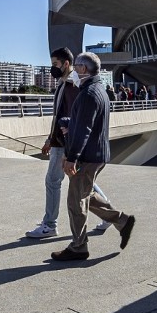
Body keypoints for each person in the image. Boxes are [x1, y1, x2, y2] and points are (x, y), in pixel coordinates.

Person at [52, 52, 136, 261]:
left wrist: (71, 157)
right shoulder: (99, 90)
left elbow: (84, 130)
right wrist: (68, 122)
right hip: (96, 153)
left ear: (82, 69)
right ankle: (122, 221)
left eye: (77, 67)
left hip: (87, 156)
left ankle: (79, 247)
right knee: (85, 195)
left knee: (75, 202)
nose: (74, 71)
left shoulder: (88, 93)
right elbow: (85, 121)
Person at [26, 48, 112, 240]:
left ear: (66, 64)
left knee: (54, 181)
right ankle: (110, 215)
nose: (52, 68)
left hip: (66, 143)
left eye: (55, 64)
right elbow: (58, 114)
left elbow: (77, 117)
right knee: (83, 183)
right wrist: (50, 138)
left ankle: (50, 225)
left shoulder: (74, 84)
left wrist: (70, 148)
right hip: (59, 140)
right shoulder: (64, 82)